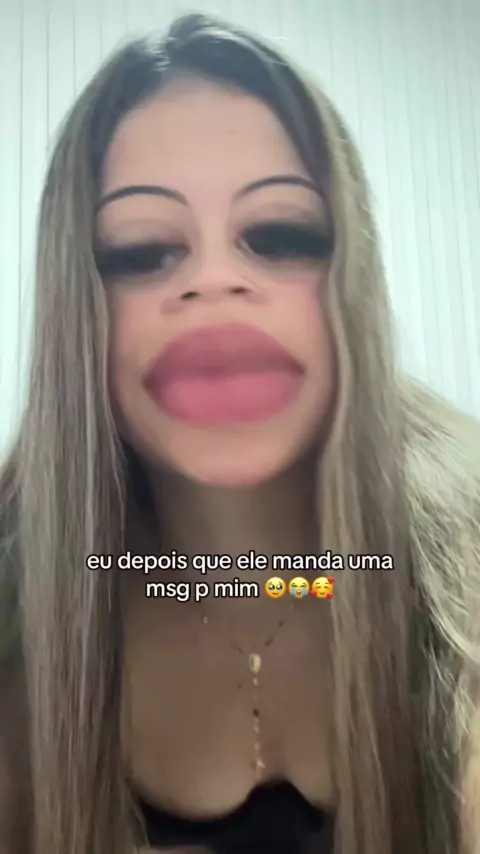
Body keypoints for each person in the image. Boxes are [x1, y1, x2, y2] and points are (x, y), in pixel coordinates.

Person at [0, 11, 479, 854]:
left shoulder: (465, 559)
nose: (216, 280)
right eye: (142, 250)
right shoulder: (15, 593)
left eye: (281, 235)